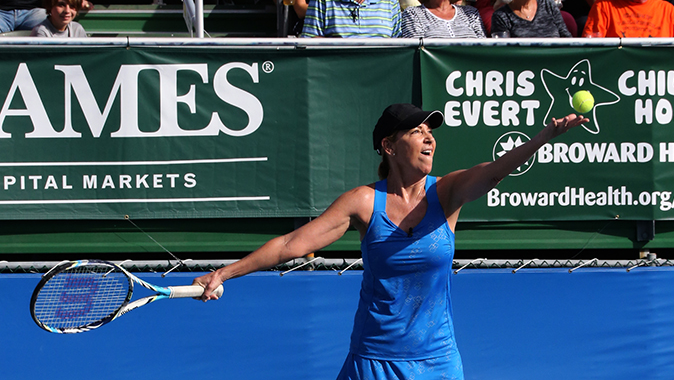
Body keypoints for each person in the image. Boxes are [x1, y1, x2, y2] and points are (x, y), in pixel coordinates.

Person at [193, 103, 588, 379]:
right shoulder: (364, 203)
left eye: (430, 132)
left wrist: (544, 137)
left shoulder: (447, 194)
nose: (428, 139)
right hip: (374, 361)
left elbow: (493, 172)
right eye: (417, 132)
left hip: (438, 361)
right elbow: (292, 244)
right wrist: (224, 273)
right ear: (389, 145)